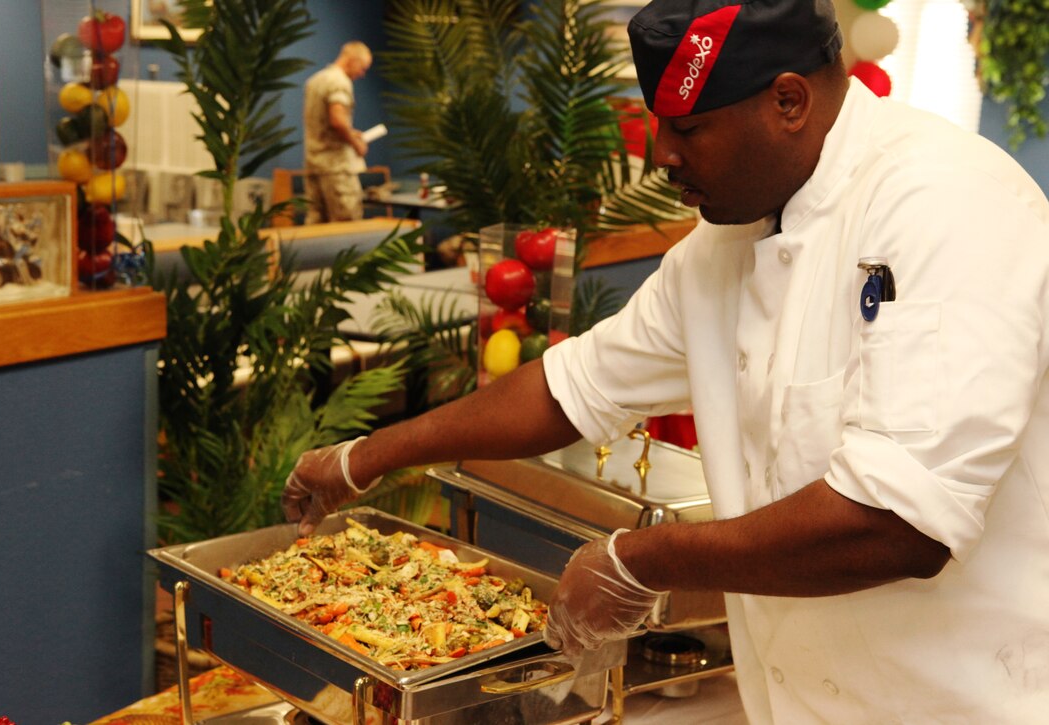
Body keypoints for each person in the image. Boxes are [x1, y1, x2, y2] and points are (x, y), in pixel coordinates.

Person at [282, 0, 1049, 721]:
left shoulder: (946, 203)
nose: (662, 157)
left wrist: (644, 558)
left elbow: (897, 522)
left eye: (689, 128)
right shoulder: (723, 244)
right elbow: (571, 386)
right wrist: (365, 455)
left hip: (964, 699)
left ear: (788, 102)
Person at [303, 41, 372, 223]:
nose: (362, 74)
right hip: (337, 168)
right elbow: (337, 120)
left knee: (317, 222)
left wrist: (350, 132)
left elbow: (323, 122)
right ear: (352, 60)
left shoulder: (316, 80)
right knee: (346, 223)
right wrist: (355, 142)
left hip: (314, 164)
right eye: (362, 68)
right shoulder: (340, 82)